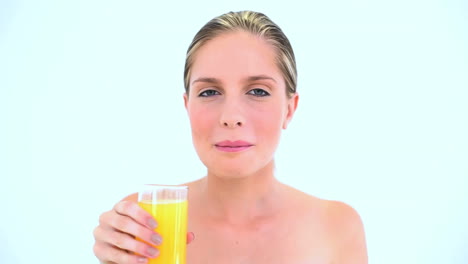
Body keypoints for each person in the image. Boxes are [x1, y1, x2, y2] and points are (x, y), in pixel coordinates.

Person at [93, 10, 368, 264]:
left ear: (289, 109)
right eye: (209, 92)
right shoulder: (144, 220)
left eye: (258, 91)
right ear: (187, 107)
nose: (231, 116)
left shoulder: (336, 228)